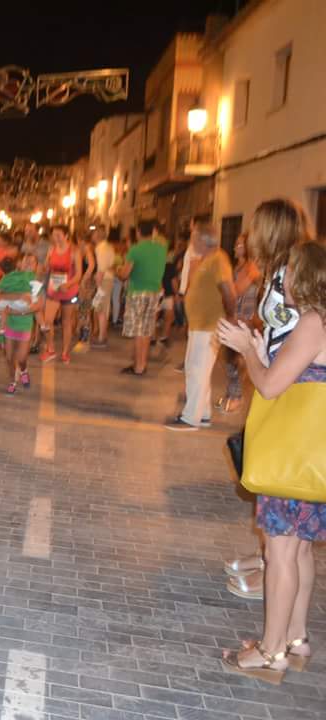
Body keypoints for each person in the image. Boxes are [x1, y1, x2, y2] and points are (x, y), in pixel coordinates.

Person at [217, 240, 325, 683]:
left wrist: (246, 351)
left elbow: (270, 388)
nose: (282, 283)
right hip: (312, 457)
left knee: (281, 552)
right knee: (301, 549)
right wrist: (264, 356)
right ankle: (296, 639)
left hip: (292, 458)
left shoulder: (313, 323)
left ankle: (270, 652)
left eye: (288, 275)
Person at [165, 222, 235, 431]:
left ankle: (190, 418)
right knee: (197, 369)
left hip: (209, 324)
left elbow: (228, 290)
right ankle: (203, 414)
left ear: (203, 240)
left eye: (194, 238)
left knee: (197, 370)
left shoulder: (218, 259)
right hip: (199, 324)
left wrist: (231, 316)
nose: (191, 241)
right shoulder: (207, 258)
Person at [217, 233, 262, 413]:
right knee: (229, 360)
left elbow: (236, 291)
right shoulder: (239, 266)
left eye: (240, 245)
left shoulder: (252, 268)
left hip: (244, 320)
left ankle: (237, 397)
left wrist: (223, 284)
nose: (236, 248)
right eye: (236, 244)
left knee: (235, 361)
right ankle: (231, 394)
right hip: (234, 317)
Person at [117, 221, 167, 375]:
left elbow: (125, 274)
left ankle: (138, 366)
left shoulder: (135, 250)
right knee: (146, 330)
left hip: (138, 292)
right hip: (154, 292)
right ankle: (142, 364)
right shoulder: (161, 249)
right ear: (153, 232)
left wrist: (118, 270)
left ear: (138, 232)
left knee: (139, 331)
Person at [0, 255, 44, 394]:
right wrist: (19, 296)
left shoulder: (36, 283)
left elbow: (38, 305)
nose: (29, 264)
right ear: (20, 264)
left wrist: (20, 311)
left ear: (36, 266)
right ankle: (12, 380)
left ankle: (24, 370)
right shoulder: (11, 279)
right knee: (9, 357)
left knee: (22, 358)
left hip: (24, 325)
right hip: (10, 324)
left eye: (32, 262)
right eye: (26, 261)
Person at [39, 225, 82, 364]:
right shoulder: (51, 249)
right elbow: (46, 267)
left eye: (59, 234)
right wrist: (42, 269)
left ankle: (65, 352)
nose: (56, 237)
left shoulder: (74, 251)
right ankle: (50, 349)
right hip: (54, 288)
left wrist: (68, 284)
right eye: (54, 234)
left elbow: (78, 274)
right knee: (47, 321)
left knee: (66, 322)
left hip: (68, 290)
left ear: (66, 235)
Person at [91, 229, 117, 347]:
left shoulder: (99, 248)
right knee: (101, 307)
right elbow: (112, 264)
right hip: (109, 278)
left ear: (97, 236)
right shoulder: (109, 247)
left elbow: (101, 268)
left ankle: (102, 337)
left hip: (103, 280)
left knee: (101, 308)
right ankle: (102, 334)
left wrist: (98, 284)